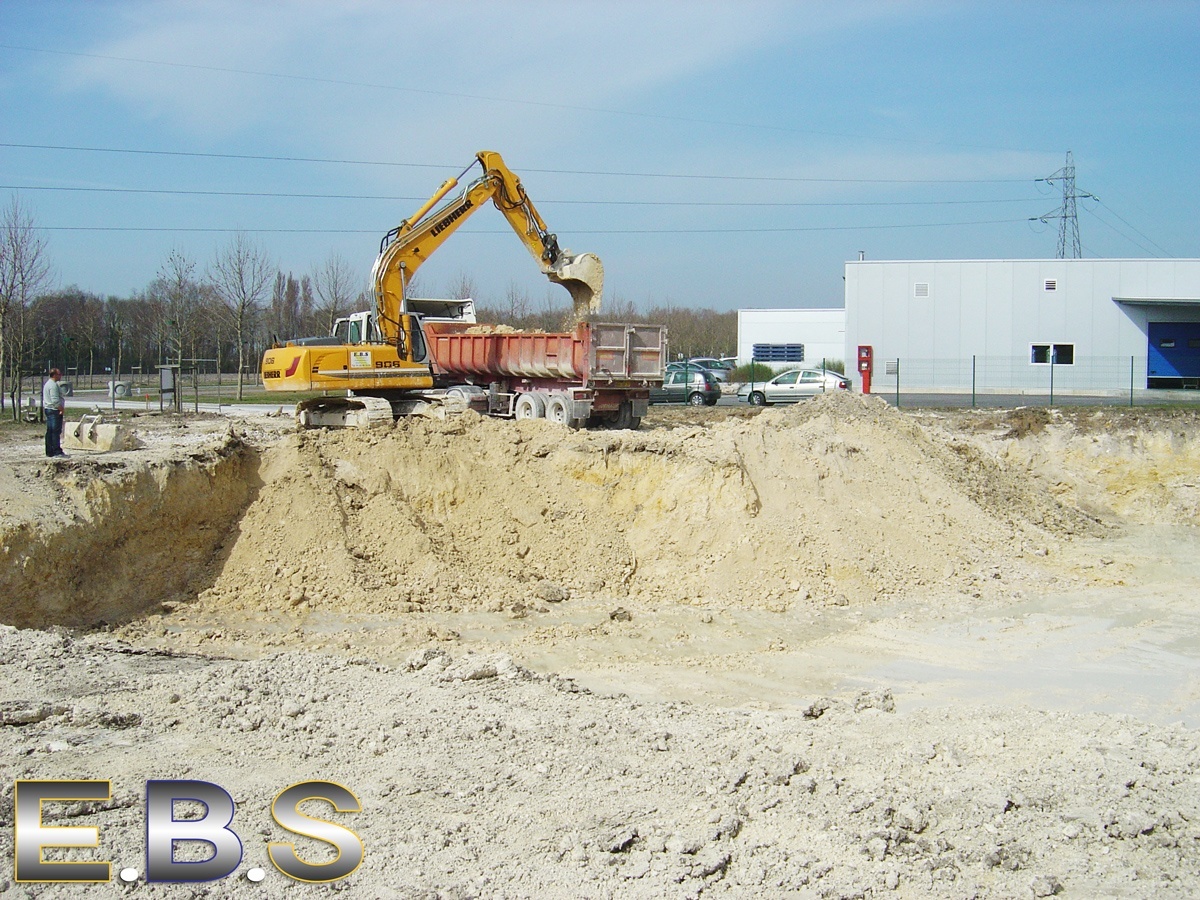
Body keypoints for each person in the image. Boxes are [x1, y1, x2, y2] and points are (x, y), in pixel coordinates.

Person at [42, 368, 67, 458]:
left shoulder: (48, 384)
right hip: (54, 410)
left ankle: (49, 451)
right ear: (54, 375)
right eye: (59, 374)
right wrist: (61, 409)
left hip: (49, 409)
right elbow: (55, 400)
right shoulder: (53, 385)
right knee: (55, 431)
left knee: (50, 431)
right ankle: (56, 451)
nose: (60, 376)